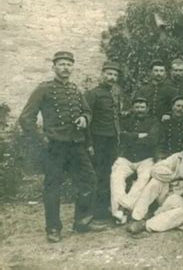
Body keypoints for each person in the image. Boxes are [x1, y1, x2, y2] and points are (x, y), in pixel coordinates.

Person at [19, 51, 104, 243]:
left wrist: (84, 118)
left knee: (88, 180)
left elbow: (86, 111)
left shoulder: (75, 90)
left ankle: (82, 222)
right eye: (62, 64)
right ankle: (53, 228)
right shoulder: (44, 89)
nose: (66, 67)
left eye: (69, 64)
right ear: (54, 67)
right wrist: (43, 139)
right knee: (53, 187)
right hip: (55, 147)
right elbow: (26, 118)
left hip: (76, 145)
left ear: (72, 67)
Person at [126, 131, 183, 233]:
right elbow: (155, 169)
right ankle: (137, 217)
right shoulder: (176, 157)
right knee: (156, 181)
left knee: (182, 212)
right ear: (182, 145)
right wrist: (175, 176)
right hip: (171, 195)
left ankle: (147, 224)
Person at [110, 97, 158, 224]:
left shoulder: (153, 121)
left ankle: (122, 208)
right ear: (132, 109)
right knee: (116, 177)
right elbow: (122, 136)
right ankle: (120, 213)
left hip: (145, 158)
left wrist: (131, 138)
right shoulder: (126, 120)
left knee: (144, 178)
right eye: (137, 107)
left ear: (147, 109)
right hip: (127, 157)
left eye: (142, 107)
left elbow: (153, 139)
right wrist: (139, 135)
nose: (139, 110)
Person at [85, 61, 122, 220]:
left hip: (112, 140)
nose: (112, 77)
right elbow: (87, 119)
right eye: (109, 74)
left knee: (110, 173)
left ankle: (107, 207)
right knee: (99, 174)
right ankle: (97, 211)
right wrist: (89, 143)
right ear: (102, 75)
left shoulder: (115, 93)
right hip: (98, 140)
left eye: (114, 75)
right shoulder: (93, 94)